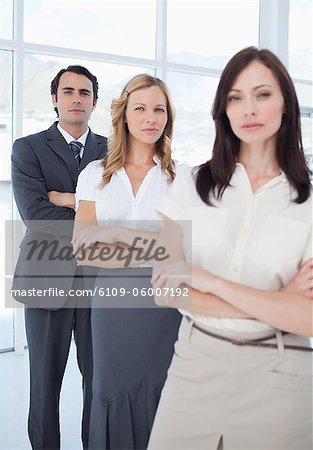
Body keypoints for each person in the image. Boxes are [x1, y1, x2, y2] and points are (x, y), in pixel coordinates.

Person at [147, 47, 313, 450]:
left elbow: (309, 320)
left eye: (262, 94)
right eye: (235, 98)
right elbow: (164, 289)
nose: (248, 109)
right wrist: (277, 304)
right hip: (194, 365)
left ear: (286, 103)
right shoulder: (190, 184)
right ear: (223, 109)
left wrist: (207, 282)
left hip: (281, 375)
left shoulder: (309, 200)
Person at [72, 73, 184, 449]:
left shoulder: (181, 178)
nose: (150, 117)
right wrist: (153, 245)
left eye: (159, 109)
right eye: (140, 108)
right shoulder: (94, 176)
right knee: (110, 388)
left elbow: (176, 252)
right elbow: (84, 249)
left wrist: (114, 234)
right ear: (124, 115)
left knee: (164, 391)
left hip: (165, 305)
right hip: (111, 305)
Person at [11, 65, 107, 450]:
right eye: (67, 92)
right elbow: (36, 216)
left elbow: (127, 214)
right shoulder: (28, 148)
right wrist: (95, 214)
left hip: (99, 282)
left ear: (94, 102)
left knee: (99, 381)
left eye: (84, 93)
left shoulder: (113, 150)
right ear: (54, 99)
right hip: (45, 279)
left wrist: (67, 199)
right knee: (44, 383)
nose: (76, 99)